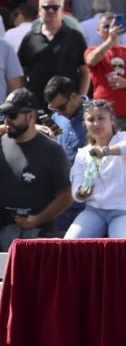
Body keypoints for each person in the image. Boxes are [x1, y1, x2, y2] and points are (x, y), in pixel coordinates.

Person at [64, 99, 126, 238]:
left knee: (121, 249)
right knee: (70, 244)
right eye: (90, 119)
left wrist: (105, 151)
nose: (96, 123)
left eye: (101, 118)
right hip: (94, 211)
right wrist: (81, 193)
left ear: (112, 120)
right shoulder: (83, 153)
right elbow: (76, 190)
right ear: (85, 124)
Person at [0, 87, 71, 246]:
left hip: (36, 236)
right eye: (4, 115)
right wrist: (7, 127)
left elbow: (66, 195)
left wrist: (37, 219)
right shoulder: (2, 139)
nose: (6, 120)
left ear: (31, 116)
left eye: (12, 115)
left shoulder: (53, 151)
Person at [82, 15, 126, 137]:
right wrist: (109, 41)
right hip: (102, 113)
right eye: (106, 26)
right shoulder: (92, 49)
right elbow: (91, 61)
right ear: (98, 30)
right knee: (103, 151)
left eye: (114, 26)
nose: (110, 30)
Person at [19, 0, 86, 107]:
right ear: (39, 10)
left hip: (68, 105)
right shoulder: (30, 37)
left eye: (55, 7)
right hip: (37, 103)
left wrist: (81, 97)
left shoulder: (75, 37)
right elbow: (21, 72)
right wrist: (25, 98)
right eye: (46, 7)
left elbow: (85, 71)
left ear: (62, 11)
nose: (50, 11)